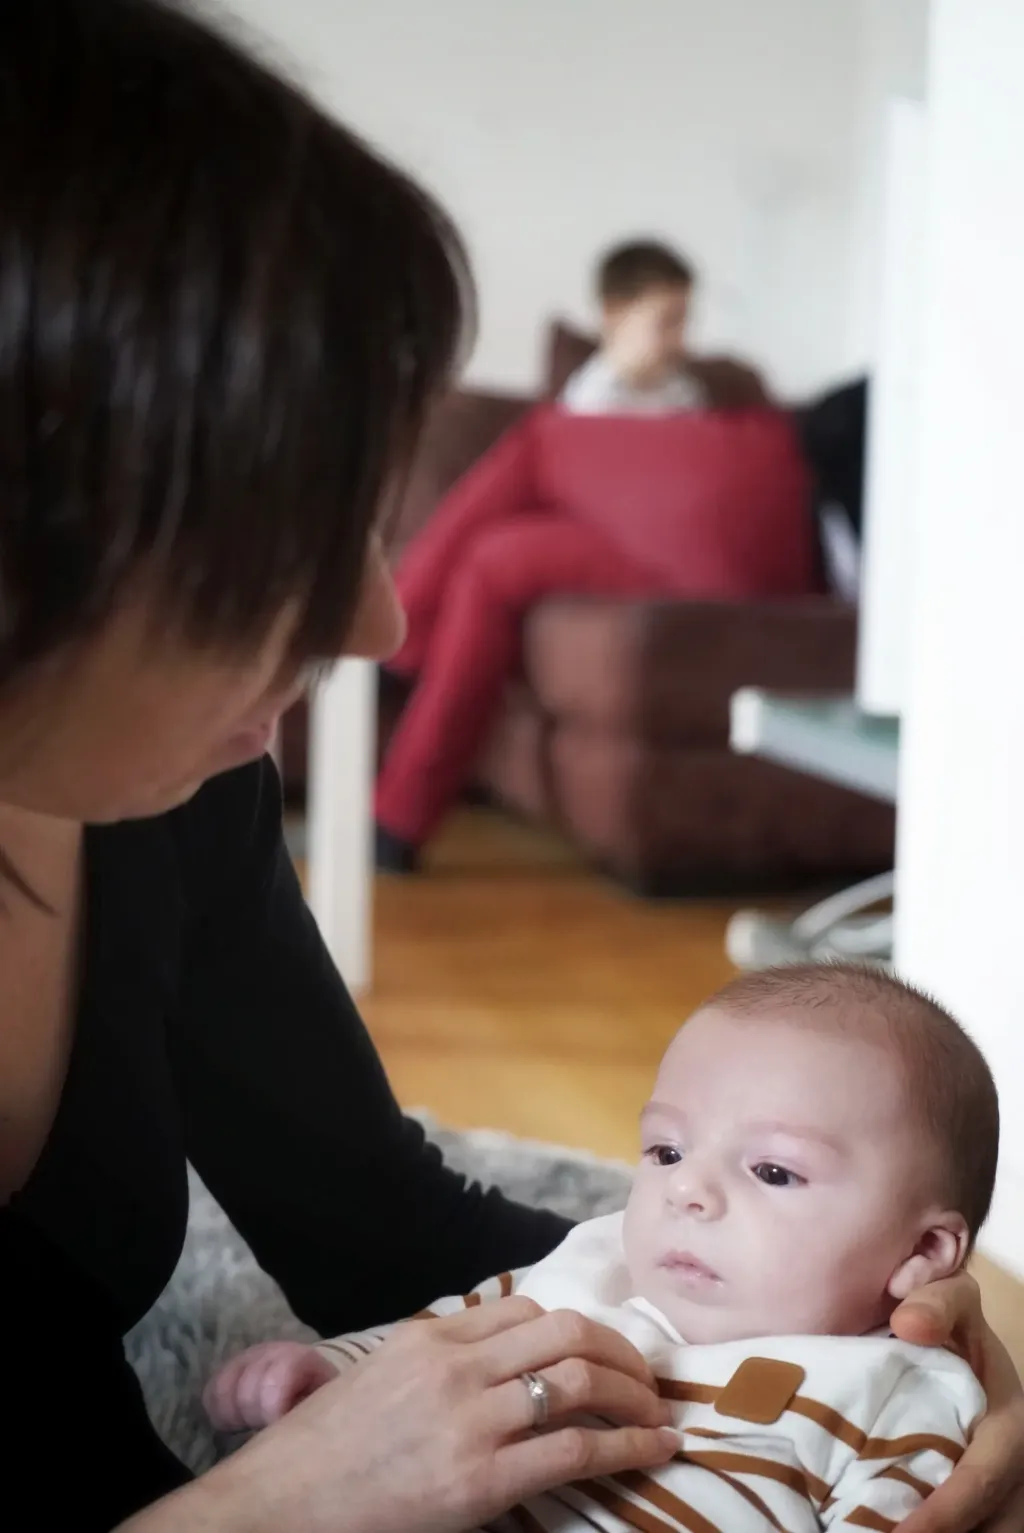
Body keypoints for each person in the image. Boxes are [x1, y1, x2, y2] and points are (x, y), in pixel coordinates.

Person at [0, 3, 1021, 1531]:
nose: (375, 615)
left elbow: (374, 1219)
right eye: (284, 533)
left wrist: (838, 1342)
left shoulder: (166, 791)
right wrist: (271, 1507)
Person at [209, 964, 1007, 1532]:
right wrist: (335, 1371)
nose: (687, 1190)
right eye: (666, 1150)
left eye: (772, 1169)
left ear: (925, 1249)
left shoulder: (899, 1394)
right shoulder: (594, 1270)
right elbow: (439, 1349)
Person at [561, 241, 709, 416]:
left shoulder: (683, 391)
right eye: (668, 322)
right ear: (612, 312)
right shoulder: (588, 401)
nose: (679, 338)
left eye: (683, 323)